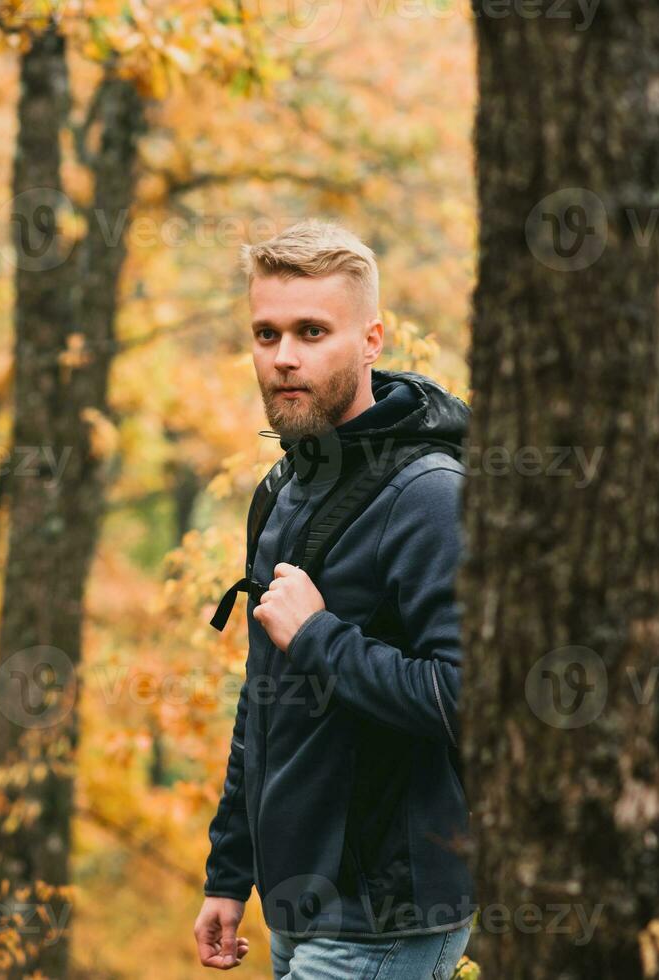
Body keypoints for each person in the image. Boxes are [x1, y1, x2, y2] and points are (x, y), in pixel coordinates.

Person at [194, 220, 475, 979]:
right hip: (300, 904)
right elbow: (263, 701)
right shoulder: (284, 489)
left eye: (312, 331)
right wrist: (230, 873)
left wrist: (318, 636)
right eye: (267, 333)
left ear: (371, 339)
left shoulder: (429, 496)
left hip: (388, 915)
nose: (284, 358)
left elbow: (469, 699)